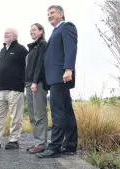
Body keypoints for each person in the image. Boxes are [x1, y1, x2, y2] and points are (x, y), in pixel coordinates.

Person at [35, 5, 78, 158]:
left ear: (61, 14)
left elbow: (71, 48)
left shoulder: (67, 27)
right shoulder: (55, 32)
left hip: (61, 76)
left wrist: (68, 69)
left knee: (58, 112)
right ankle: (70, 146)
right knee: (66, 112)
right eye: (48, 14)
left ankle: (55, 147)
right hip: (55, 78)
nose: (49, 15)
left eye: (52, 13)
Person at [24, 23, 49, 154]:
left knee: (40, 113)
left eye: (34, 29)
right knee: (33, 114)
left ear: (41, 31)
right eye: (30, 30)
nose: (31, 32)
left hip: (38, 83)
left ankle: (42, 143)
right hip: (29, 83)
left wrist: (34, 81)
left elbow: (40, 64)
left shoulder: (43, 45)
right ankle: (37, 142)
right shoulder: (33, 47)